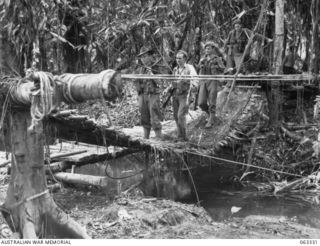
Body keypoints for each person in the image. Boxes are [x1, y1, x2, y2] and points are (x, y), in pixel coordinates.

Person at [134, 46, 163, 139]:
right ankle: (146, 138)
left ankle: (159, 138)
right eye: (141, 57)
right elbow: (136, 83)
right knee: (144, 117)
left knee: (154, 117)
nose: (143, 59)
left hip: (153, 95)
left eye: (145, 56)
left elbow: (160, 82)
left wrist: (152, 75)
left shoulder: (156, 67)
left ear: (150, 56)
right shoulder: (140, 69)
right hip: (142, 95)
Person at [171, 50, 198, 141]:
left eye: (180, 58)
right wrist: (168, 89)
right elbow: (172, 82)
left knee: (180, 115)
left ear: (185, 59)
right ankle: (180, 136)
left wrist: (192, 92)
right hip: (175, 95)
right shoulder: (175, 69)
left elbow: (195, 80)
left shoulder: (189, 68)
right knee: (175, 116)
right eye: (176, 58)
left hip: (185, 95)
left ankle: (184, 136)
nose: (178, 60)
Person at [198, 41, 225, 128]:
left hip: (213, 80)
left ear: (213, 49)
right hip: (204, 80)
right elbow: (199, 68)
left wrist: (216, 67)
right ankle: (209, 114)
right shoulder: (203, 59)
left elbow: (223, 69)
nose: (207, 50)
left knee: (212, 100)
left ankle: (211, 119)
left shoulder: (217, 58)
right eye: (205, 48)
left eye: (209, 48)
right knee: (201, 102)